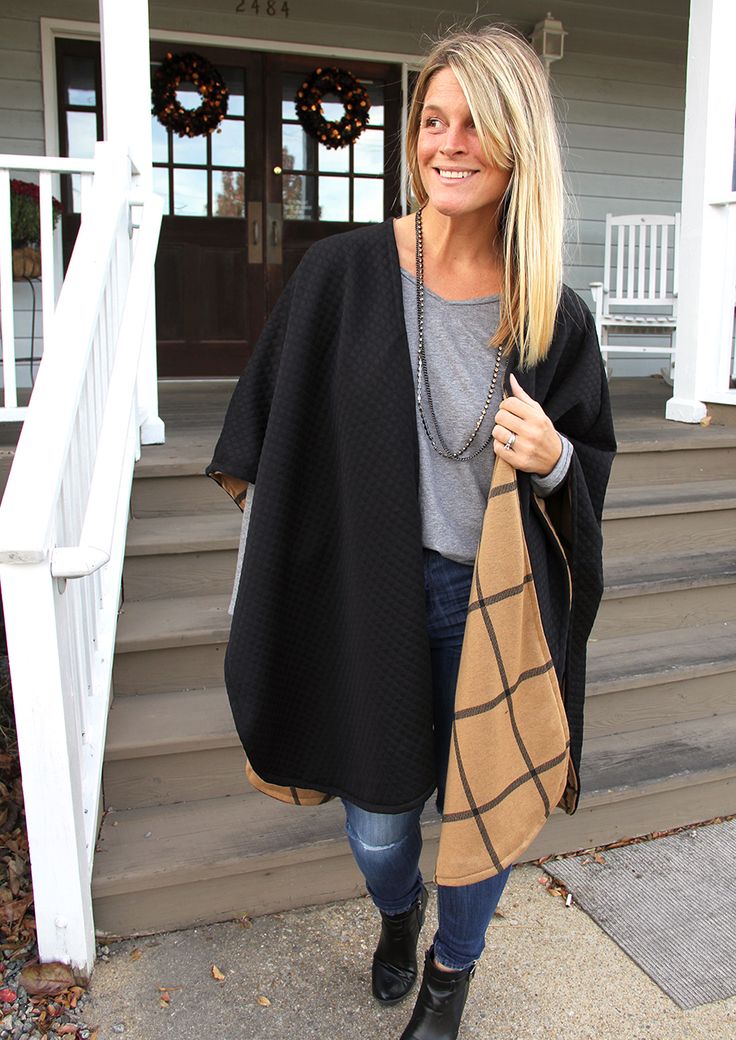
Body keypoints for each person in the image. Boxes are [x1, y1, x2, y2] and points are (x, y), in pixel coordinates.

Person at [207, 23, 616, 1040]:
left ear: (519, 141)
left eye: (474, 123)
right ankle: (397, 913)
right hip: (369, 593)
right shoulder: (342, 276)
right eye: (432, 120)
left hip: (493, 606)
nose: (447, 142)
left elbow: (589, 467)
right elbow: (275, 427)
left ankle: (448, 976)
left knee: (480, 821)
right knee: (381, 825)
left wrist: (554, 455)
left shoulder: (551, 314)